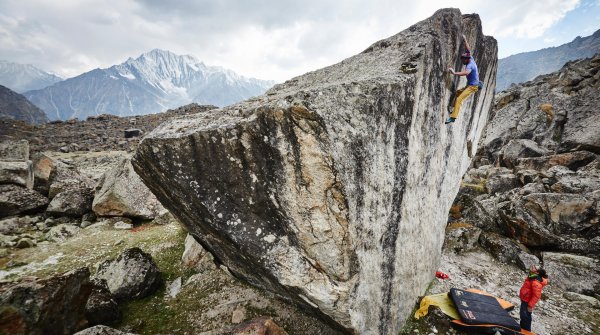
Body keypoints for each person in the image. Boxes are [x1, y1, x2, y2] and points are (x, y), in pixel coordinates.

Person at [446, 34, 480, 124]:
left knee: (459, 99)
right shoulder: (470, 58)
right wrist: (465, 39)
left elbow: (466, 73)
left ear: (466, 60)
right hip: (470, 85)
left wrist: (454, 73)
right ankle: (453, 108)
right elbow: (468, 49)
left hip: (473, 87)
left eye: (463, 60)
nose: (462, 62)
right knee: (457, 93)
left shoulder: (470, 65)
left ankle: (453, 117)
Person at [518, 266, 549, 331]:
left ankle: (526, 331)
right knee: (523, 315)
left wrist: (530, 305)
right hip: (525, 299)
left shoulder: (536, 282)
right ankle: (522, 328)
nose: (533, 266)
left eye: (535, 267)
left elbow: (536, 296)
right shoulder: (531, 276)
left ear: (537, 272)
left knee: (525, 316)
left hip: (527, 302)